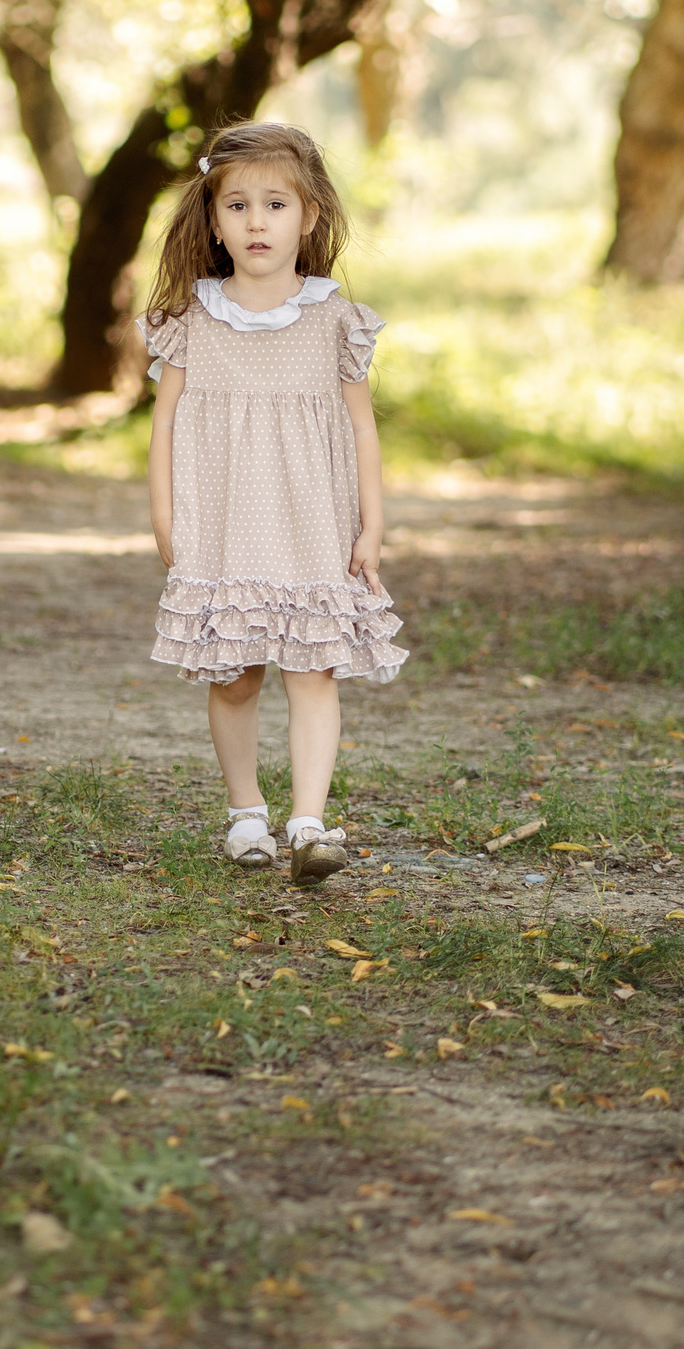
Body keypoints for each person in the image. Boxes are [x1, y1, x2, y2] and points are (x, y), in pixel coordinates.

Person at [143, 120, 407, 886]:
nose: (257, 222)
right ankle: (247, 814)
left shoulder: (334, 321)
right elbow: (163, 424)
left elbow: (361, 427)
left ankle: (309, 824)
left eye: (276, 204)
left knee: (314, 667)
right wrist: (164, 513)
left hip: (311, 524)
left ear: (310, 216)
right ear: (214, 220)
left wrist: (372, 524)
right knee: (235, 675)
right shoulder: (191, 319)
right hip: (223, 524)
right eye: (237, 206)